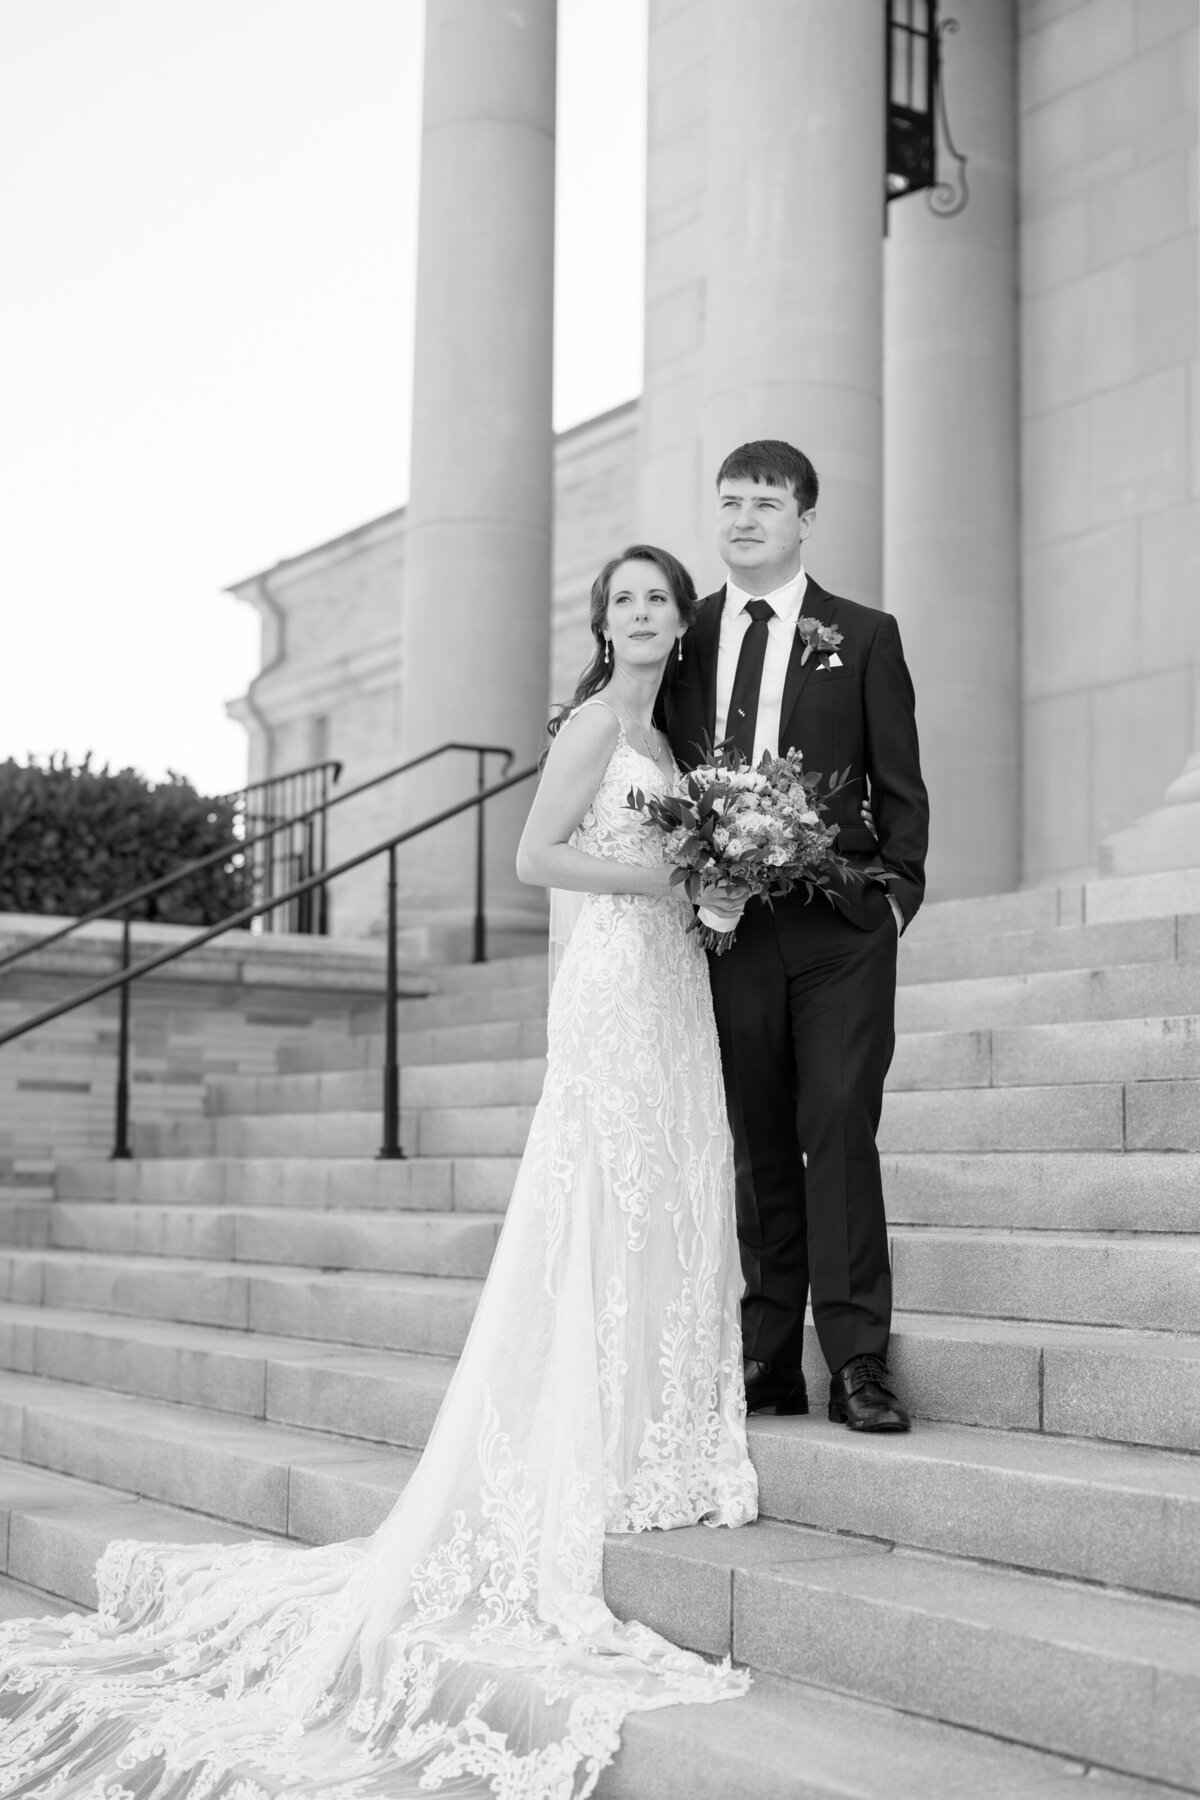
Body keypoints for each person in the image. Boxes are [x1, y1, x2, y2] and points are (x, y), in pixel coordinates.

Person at [0, 544, 756, 1800]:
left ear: (681, 622)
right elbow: (533, 859)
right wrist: (663, 874)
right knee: (602, 1197)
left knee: (670, 1192)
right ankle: (596, 1441)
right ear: (601, 620)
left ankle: (657, 1431)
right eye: (621, 600)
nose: (639, 616)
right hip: (616, 985)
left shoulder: (673, 741)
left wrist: (713, 886)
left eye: (657, 601)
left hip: (676, 985)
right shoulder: (586, 727)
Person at [663, 440, 929, 1434]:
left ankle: (858, 1358)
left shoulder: (862, 634)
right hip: (729, 928)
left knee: (837, 1131)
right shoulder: (682, 636)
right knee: (758, 1139)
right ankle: (766, 1358)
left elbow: (901, 785)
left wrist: (895, 896)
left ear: (804, 518)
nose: (744, 519)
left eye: (765, 503)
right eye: (729, 501)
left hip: (839, 930)